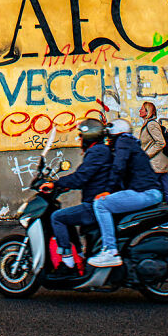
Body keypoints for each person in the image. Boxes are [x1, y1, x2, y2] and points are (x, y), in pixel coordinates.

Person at [39, 118, 112, 279]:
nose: (79, 139)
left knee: (57, 217)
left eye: (81, 136)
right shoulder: (100, 150)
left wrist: (55, 184)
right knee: (68, 218)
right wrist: (63, 186)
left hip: (93, 205)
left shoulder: (97, 152)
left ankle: (68, 264)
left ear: (89, 137)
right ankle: (79, 255)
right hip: (95, 202)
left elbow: (81, 177)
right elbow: (85, 177)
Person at [87, 118, 163, 268]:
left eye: (109, 136)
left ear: (115, 133)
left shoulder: (123, 142)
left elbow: (118, 168)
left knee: (101, 205)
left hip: (145, 193)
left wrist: (107, 191)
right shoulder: (131, 144)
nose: (108, 140)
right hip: (148, 192)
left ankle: (110, 251)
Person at [139, 100, 168, 205]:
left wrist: (146, 155)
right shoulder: (149, 124)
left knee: (153, 191)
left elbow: (160, 142)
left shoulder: (151, 125)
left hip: (156, 164)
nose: (140, 111)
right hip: (159, 164)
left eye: (142, 109)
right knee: (165, 190)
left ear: (147, 111)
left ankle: (166, 213)